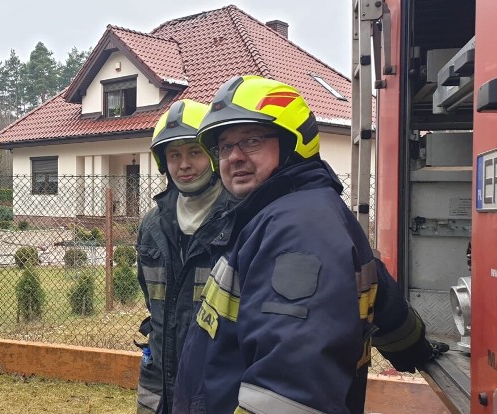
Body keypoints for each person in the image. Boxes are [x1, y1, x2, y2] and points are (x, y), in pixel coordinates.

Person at [171, 76, 441, 413]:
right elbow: (380, 294)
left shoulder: (298, 228)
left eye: (251, 141)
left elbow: (289, 391)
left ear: (293, 143)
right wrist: (411, 348)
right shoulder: (292, 212)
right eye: (225, 146)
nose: (233, 157)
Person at [135, 99, 234, 414]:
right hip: (160, 377)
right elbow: (152, 299)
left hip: (218, 379)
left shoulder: (241, 219)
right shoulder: (152, 225)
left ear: (214, 155)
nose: (184, 165)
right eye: (173, 155)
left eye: (194, 152)